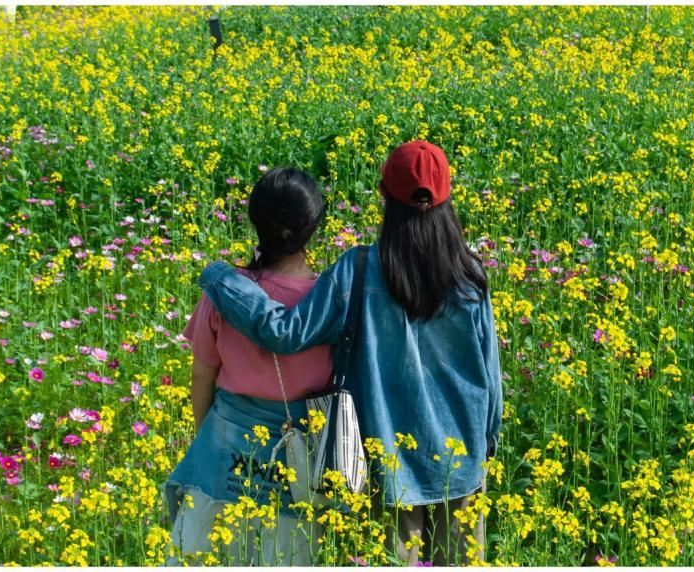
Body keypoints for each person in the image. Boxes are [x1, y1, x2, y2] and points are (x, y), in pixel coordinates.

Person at [197, 140, 503, 565]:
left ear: (383, 196)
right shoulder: (471, 276)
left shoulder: (357, 270)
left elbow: (284, 333)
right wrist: (487, 444)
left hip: (389, 470)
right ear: (448, 198)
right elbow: (490, 377)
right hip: (461, 463)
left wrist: (220, 277)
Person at [163, 167, 331, 566]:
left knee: (205, 553)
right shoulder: (328, 301)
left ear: (255, 221)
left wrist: (205, 435)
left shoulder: (226, 293)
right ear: (314, 227)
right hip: (300, 460)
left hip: (224, 444)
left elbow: (202, 374)